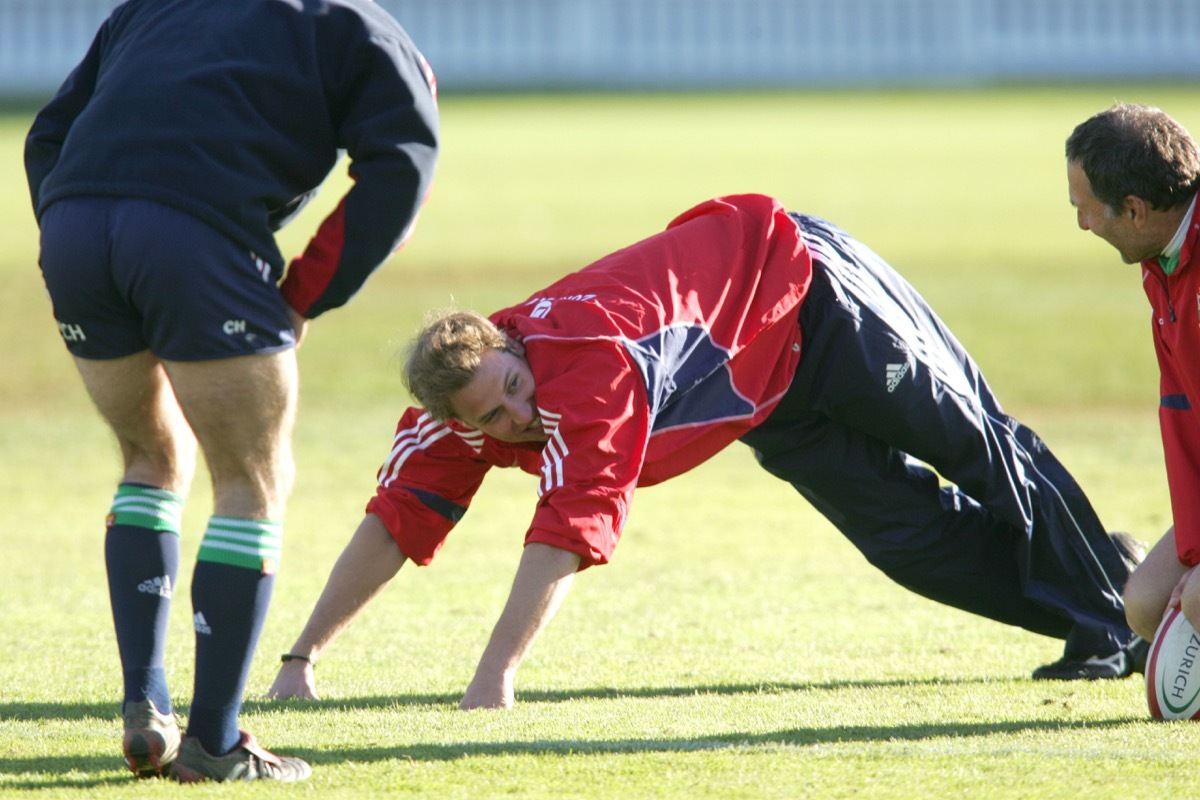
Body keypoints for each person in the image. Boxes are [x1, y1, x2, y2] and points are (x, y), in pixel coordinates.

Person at [269, 193, 1144, 711]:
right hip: (765, 393)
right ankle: (1116, 597)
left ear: (510, 344)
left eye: (517, 385)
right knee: (906, 540)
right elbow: (397, 520)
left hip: (814, 291)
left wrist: (494, 675)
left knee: (981, 451)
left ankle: (1120, 620)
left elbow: (568, 530)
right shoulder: (446, 420)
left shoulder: (585, 367)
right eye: (494, 418)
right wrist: (301, 659)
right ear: (453, 423)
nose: (521, 415)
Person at [24, 0, 439, 782]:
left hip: (74, 229)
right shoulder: (358, 26)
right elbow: (402, 165)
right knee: (252, 481)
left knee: (150, 458)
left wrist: (71, 224)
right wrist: (304, 293)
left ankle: (147, 702)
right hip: (194, 238)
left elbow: (49, 135)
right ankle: (215, 744)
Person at [1065, 103, 1200, 645]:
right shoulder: (1162, 264)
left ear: (1135, 210)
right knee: (1147, 605)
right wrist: (1193, 548)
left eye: (1086, 210)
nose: (1082, 224)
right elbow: (1182, 412)